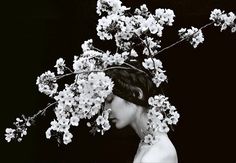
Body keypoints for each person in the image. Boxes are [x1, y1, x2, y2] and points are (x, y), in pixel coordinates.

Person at [104, 61, 178, 163]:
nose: (105, 111)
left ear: (136, 94)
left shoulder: (156, 156)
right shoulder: (146, 143)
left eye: (109, 100)